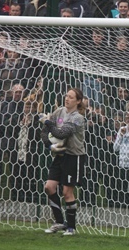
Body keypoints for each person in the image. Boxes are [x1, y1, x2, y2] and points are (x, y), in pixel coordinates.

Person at [39, 87, 86, 235]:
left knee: (67, 192)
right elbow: (45, 131)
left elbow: (61, 132)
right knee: (49, 187)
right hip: (60, 155)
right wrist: (49, 145)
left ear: (78, 101)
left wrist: (47, 122)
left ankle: (71, 227)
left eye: (71, 97)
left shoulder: (78, 118)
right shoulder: (59, 111)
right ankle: (59, 221)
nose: (67, 99)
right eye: (66, 96)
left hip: (74, 156)